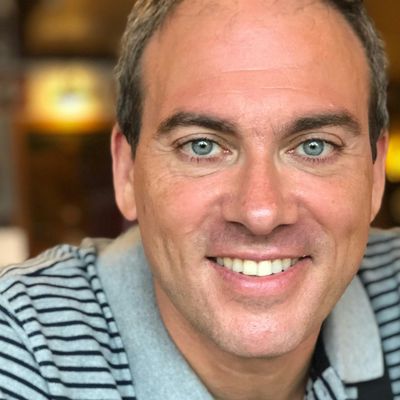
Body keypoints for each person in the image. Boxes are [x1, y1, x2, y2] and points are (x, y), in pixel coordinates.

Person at [0, 0, 398, 399]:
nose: (260, 212)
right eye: (201, 146)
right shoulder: (22, 342)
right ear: (127, 172)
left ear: (374, 173)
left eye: (315, 146)